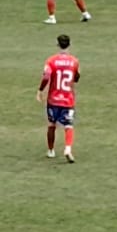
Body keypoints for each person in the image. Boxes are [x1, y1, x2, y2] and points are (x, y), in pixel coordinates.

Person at [37, 31, 80, 161]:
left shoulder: (51, 61)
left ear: (58, 45)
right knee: (68, 125)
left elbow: (46, 77)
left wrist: (40, 90)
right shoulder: (74, 61)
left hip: (53, 99)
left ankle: (51, 150)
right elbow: (76, 78)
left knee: (51, 124)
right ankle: (68, 148)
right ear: (69, 45)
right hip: (68, 99)